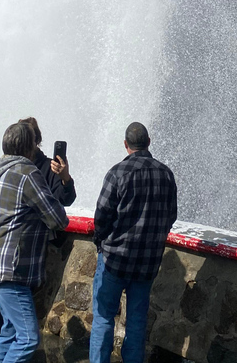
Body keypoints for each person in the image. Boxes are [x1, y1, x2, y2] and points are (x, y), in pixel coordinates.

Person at [0, 117, 76, 363]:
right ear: (29, 147)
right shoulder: (27, 174)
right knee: (27, 339)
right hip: (12, 267)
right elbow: (58, 219)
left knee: (9, 331)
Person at [90, 122, 177, 363]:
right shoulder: (166, 174)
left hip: (114, 261)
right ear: (149, 142)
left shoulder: (118, 172)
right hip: (146, 264)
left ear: (126, 145)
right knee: (137, 323)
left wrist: (102, 243)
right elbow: (171, 216)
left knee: (104, 317)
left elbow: (102, 216)